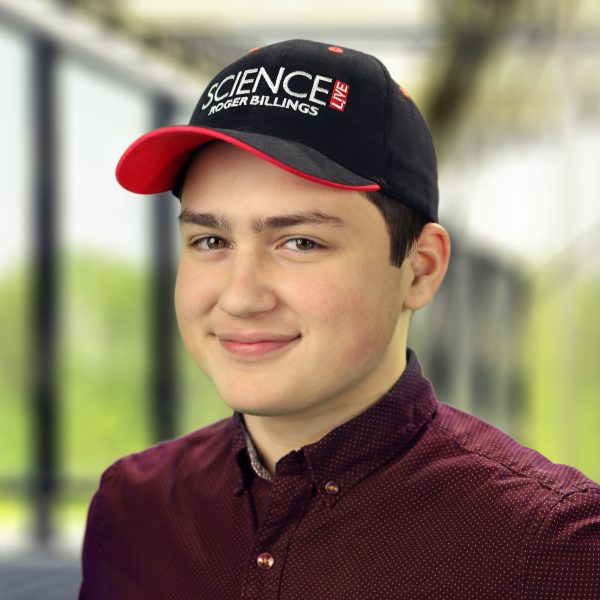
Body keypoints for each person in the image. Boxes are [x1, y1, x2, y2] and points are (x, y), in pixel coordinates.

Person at [79, 39, 600, 599]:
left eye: (300, 242)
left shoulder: (552, 545)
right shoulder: (133, 509)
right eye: (210, 240)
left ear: (421, 269)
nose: (239, 297)